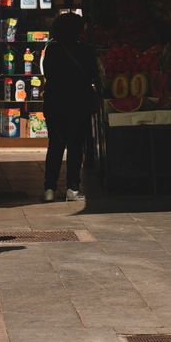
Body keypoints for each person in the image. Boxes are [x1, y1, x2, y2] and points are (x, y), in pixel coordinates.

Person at [41, 11, 101, 203]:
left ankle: (49, 188)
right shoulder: (86, 50)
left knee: (55, 145)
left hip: (55, 103)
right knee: (75, 146)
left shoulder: (51, 50)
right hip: (78, 103)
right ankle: (72, 188)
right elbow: (93, 74)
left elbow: (48, 73)